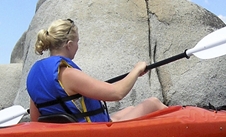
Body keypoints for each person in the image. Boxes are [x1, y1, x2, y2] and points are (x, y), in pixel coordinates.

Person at [26, 18, 167, 123]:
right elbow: (117, 93)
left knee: (129, 109)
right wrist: (136, 70)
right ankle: (185, 125)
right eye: (77, 42)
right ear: (69, 45)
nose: (77, 46)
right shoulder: (68, 74)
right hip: (88, 134)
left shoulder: (35, 75)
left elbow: (35, 120)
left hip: (64, 134)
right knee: (152, 102)